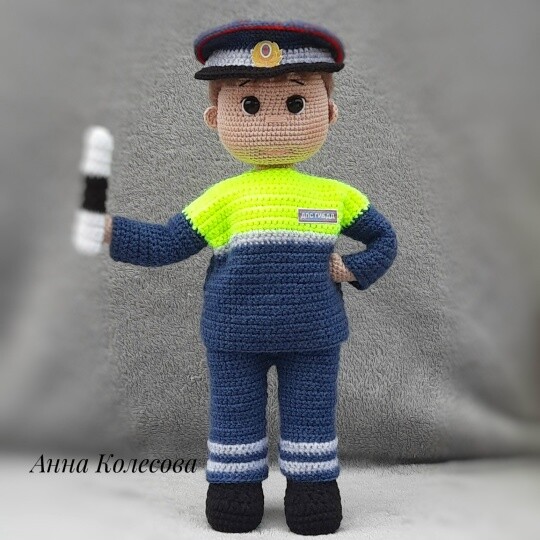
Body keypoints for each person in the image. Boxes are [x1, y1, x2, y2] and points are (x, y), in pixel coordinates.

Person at [73, 20, 397, 536]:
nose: (274, 120)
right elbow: (165, 243)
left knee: (312, 416)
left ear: (329, 113)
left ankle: (312, 492)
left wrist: (354, 268)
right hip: (235, 335)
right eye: (249, 104)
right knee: (234, 415)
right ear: (215, 117)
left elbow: (384, 239)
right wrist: (107, 229)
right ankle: (235, 492)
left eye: (296, 103)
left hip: (312, 335)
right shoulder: (222, 199)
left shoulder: (335, 196)